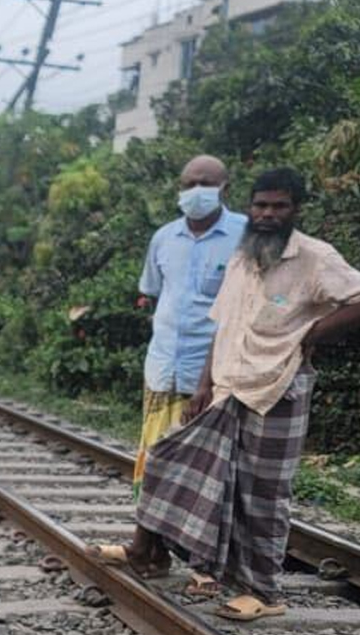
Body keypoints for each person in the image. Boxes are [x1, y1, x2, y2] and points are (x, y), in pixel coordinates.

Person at [96, 168, 360, 621]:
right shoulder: (243, 256)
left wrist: (311, 334)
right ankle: (148, 553)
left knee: (261, 494)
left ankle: (263, 592)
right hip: (227, 387)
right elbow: (223, 322)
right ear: (250, 207)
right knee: (167, 460)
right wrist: (205, 384)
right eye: (261, 205)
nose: (268, 214)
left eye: (278, 206)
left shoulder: (314, 256)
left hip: (277, 390)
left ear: (295, 210)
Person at [132, 155, 246, 494]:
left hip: (218, 376)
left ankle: (192, 544)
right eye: (189, 184)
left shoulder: (247, 234)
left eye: (206, 184)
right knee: (157, 462)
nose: (197, 191)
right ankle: (150, 541)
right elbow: (152, 293)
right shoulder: (164, 238)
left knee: (206, 471)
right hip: (163, 370)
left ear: (225, 187)